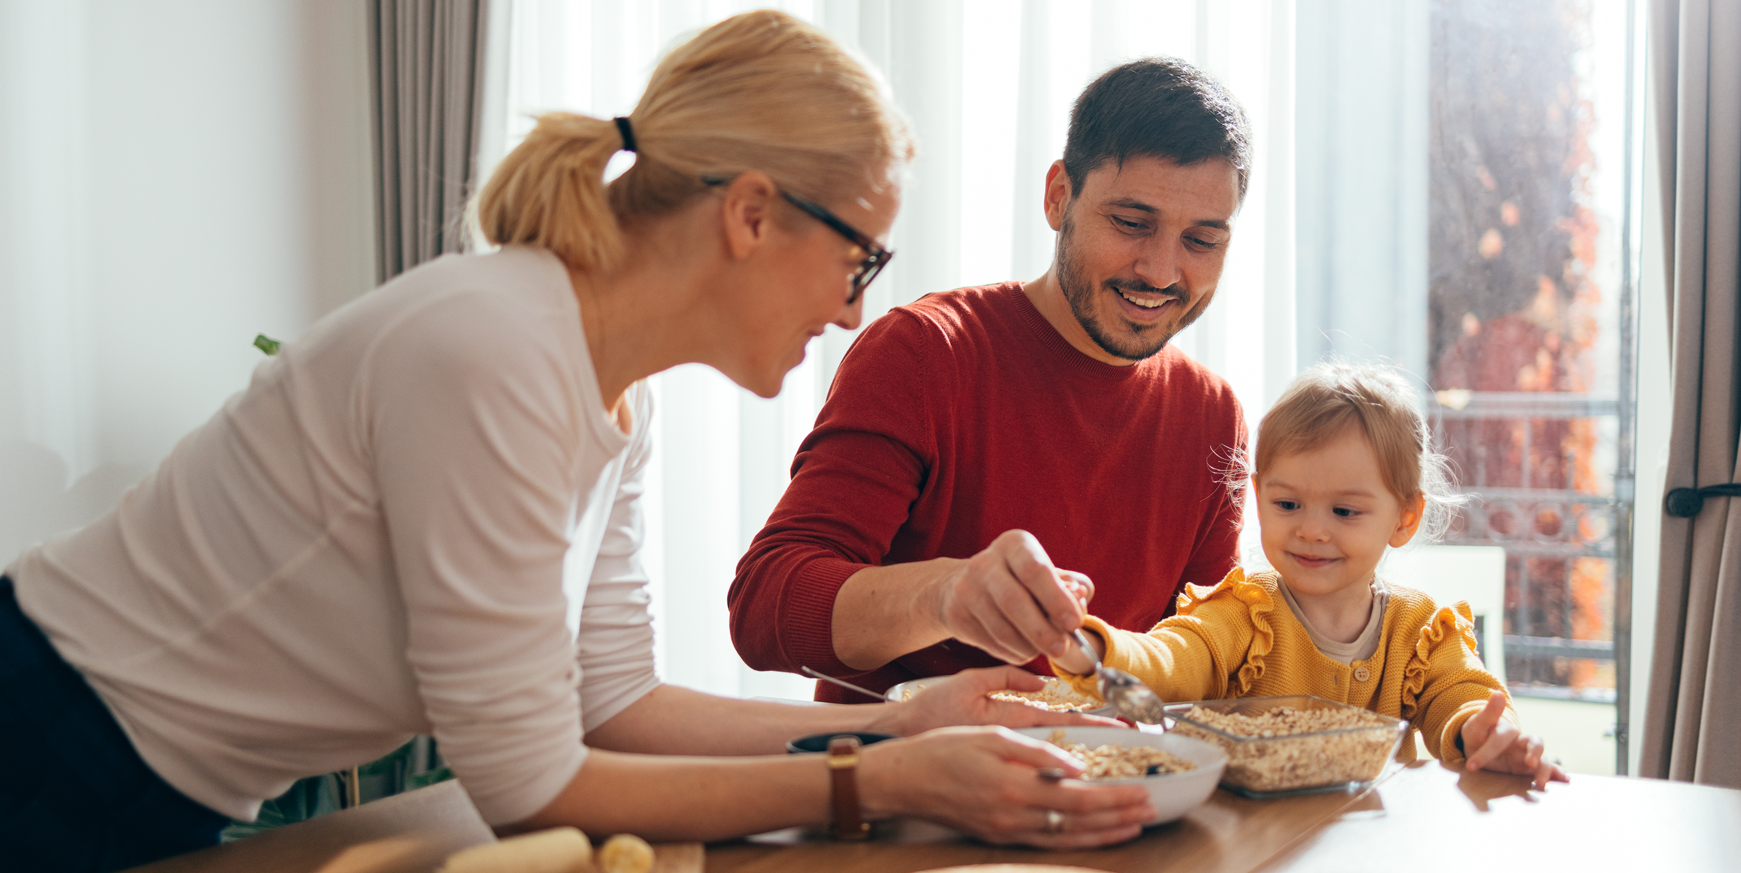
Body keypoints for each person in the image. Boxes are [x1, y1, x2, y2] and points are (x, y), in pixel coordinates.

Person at [0, 13, 1159, 871]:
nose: (856, 308)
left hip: (140, 784)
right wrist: (890, 774)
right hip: (42, 735)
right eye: (859, 259)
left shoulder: (615, 394)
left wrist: (900, 718)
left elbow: (612, 706)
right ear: (752, 214)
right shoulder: (491, 347)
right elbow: (529, 784)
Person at [729, 57, 1252, 703]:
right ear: (1058, 195)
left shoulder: (1213, 413)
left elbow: (1213, 655)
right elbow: (764, 610)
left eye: (1202, 240)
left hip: (1115, 788)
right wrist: (946, 595)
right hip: (909, 787)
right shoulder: (925, 353)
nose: (1161, 270)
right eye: (1131, 223)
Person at [1051, 362, 1572, 789]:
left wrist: (1483, 733)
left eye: (1344, 512)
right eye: (1288, 504)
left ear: (1404, 517)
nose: (1312, 531)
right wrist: (1093, 649)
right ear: (1258, 499)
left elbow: (1463, 697)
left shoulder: (1421, 631)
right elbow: (1171, 658)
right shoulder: (1242, 613)